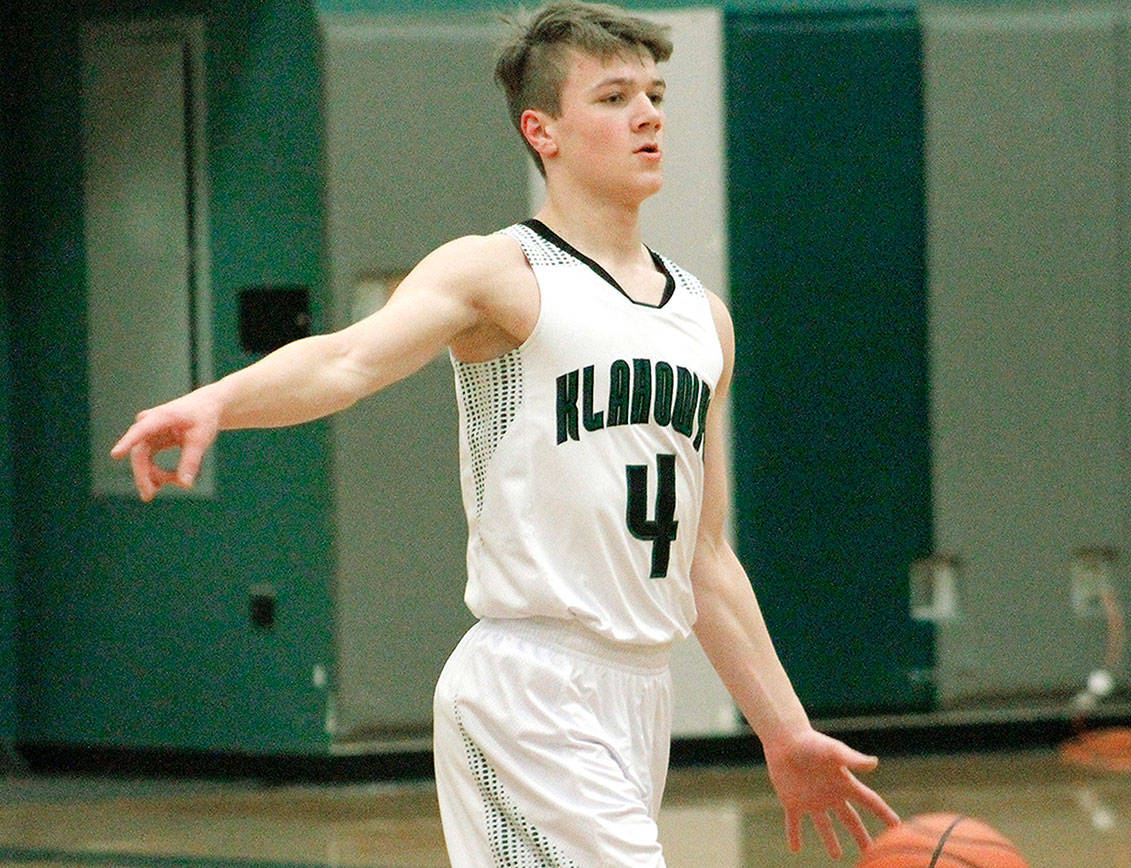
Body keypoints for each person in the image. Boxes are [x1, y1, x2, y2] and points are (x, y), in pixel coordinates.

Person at [112, 2, 899, 864]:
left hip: (640, 691)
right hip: (531, 679)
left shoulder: (703, 320)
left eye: (655, 94)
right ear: (544, 130)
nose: (647, 115)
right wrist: (220, 401)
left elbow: (705, 556)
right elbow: (348, 360)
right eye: (612, 97)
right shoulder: (502, 272)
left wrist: (785, 734)